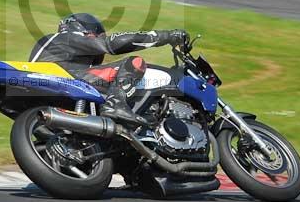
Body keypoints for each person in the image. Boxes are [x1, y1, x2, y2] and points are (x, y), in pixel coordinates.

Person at [28, 13, 189, 126]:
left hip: (45, 91)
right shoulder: (66, 37)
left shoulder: (57, 46)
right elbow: (110, 44)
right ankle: (115, 103)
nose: (98, 39)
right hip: (62, 77)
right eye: (97, 35)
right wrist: (167, 36)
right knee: (134, 63)